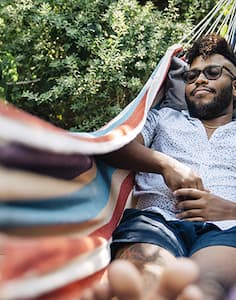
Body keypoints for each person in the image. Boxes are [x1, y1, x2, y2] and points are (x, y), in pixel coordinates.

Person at [79, 34, 236, 300]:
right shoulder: (163, 118)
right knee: (147, 280)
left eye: (212, 72)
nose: (199, 79)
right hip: (155, 221)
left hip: (226, 228)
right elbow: (115, 144)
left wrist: (230, 210)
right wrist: (165, 164)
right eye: (191, 75)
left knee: (207, 287)